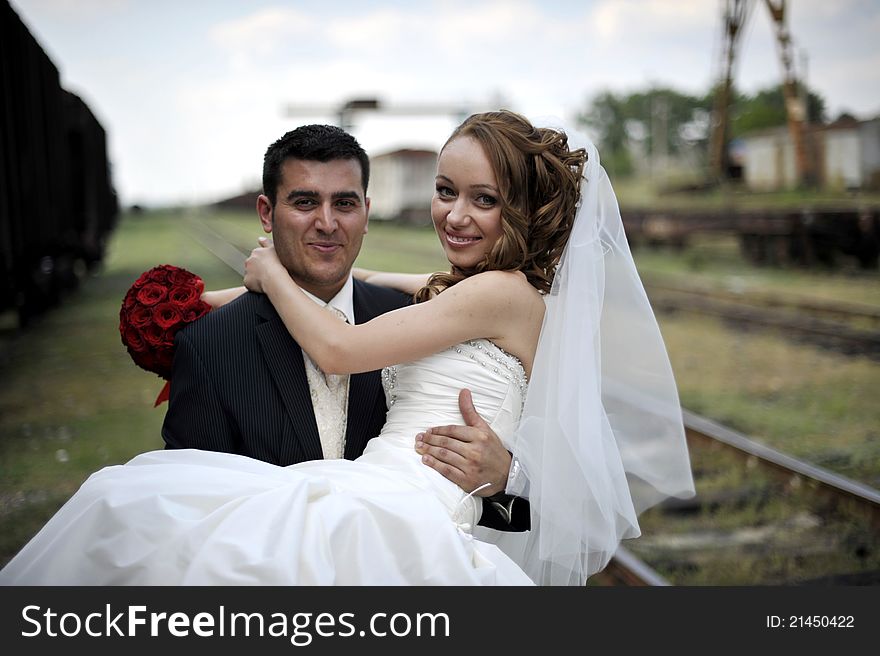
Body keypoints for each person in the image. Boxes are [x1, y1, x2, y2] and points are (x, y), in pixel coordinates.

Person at [0, 110, 694, 586]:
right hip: (368, 516)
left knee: (142, 513)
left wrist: (504, 480)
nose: (455, 215)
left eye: (484, 200)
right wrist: (208, 302)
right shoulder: (442, 300)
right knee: (155, 516)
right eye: (446, 191)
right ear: (270, 215)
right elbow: (356, 279)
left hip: (411, 524)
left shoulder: (490, 300)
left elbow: (546, 514)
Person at [163, 122, 527, 531]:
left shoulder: (420, 318)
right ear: (267, 213)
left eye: (345, 204)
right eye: (304, 202)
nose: (327, 223)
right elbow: (191, 508)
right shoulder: (209, 345)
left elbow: (540, 505)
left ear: (366, 213)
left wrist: (503, 478)